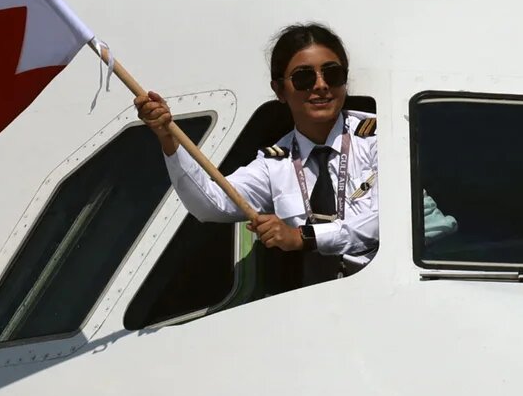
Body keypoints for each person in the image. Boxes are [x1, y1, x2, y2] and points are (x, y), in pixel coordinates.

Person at [137, 23, 379, 286]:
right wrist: (167, 136)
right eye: (304, 78)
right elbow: (210, 204)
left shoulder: (380, 138)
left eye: (332, 74)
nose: (320, 85)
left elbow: (384, 221)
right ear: (279, 90)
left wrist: (302, 237)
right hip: (319, 302)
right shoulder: (276, 162)